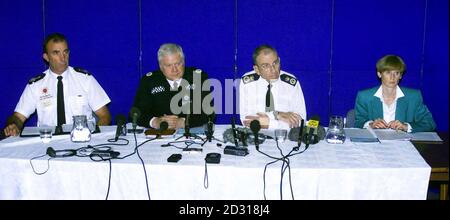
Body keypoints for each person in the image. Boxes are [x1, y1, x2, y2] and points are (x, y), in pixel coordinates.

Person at [3, 33, 111, 137]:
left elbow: (104, 115)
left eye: (65, 52)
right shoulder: (36, 85)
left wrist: (93, 137)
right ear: (46, 57)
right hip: (47, 142)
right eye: (56, 53)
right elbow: (18, 117)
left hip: (81, 139)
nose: (63, 58)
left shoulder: (85, 79)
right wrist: (13, 125)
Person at [132, 43, 213, 129]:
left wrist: (184, 122)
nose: (175, 70)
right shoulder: (149, 81)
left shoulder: (198, 77)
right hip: (159, 136)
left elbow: (209, 112)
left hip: (190, 135)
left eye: (178, 64)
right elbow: (136, 113)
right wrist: (154, 122)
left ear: (184, 62)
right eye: (169, 65)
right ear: (161, 66)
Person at [354, 54, 436, 132]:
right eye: (388, 72)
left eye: (396, 73)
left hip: (404, 144)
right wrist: (371, 124)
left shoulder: (413, 96)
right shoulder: (364, 96)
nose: (392, 77)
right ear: (379, 74)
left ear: (400, 76)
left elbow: (429, 123)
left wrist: (405, 126)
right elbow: (358, 123)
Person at [239, 44, 307, 129]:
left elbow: (301, 121)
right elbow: (246, 120)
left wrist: (270, 123)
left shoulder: (291, 83)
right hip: (256, 136)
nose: (273, 69)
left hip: (285, 137)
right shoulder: (248, 82)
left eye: (275, 63)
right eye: (266, 66)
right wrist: (277, 115)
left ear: (279, 60)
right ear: (257, 69)